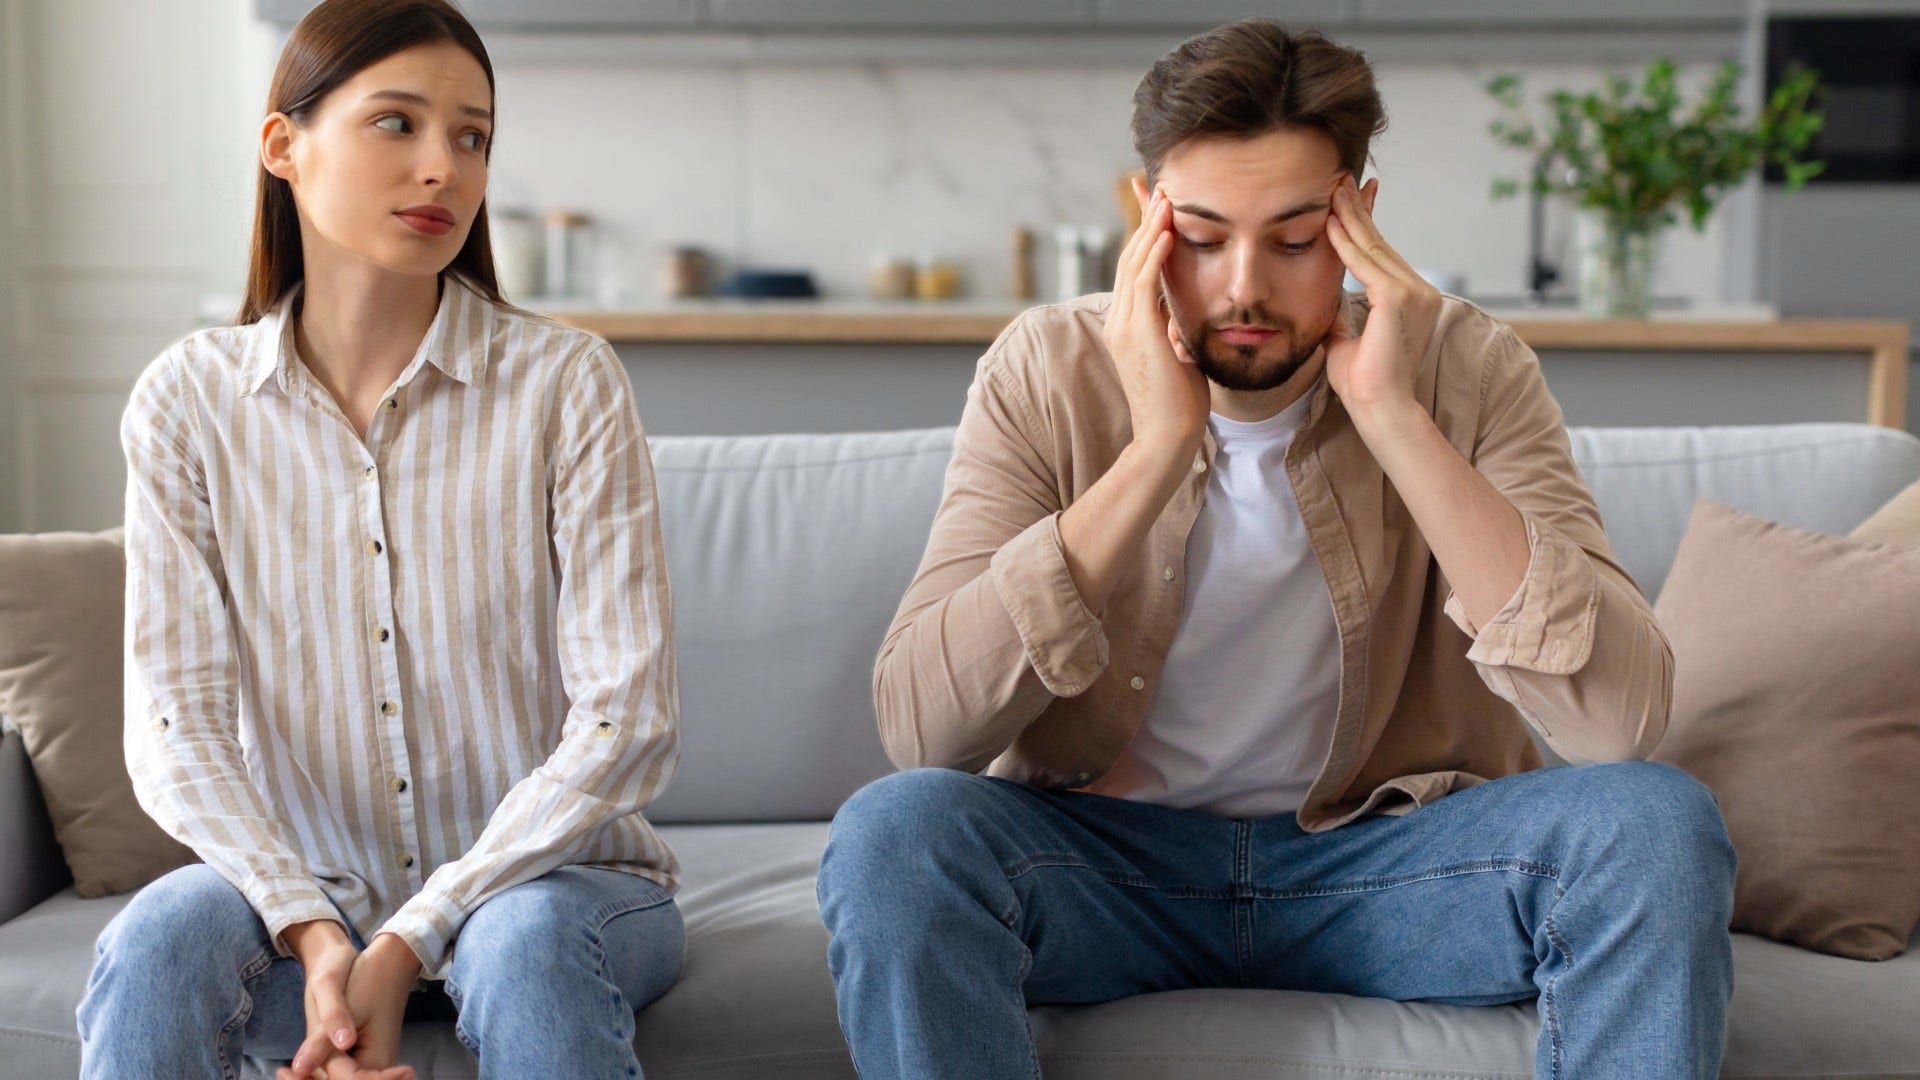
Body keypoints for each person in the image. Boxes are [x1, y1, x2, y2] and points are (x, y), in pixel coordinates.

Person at [818, 18, 1735, 1080]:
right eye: (1201, 238)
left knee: (1658, 826)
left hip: (1394, 869)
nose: (1243, 286)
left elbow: (1620, 723)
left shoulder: (1469, 369)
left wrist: (1394, 416)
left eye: (1296, 240)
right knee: (897, 834)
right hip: (1105, 871)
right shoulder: (1047, 367)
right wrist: (1157, 447)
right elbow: (921, 727)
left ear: (1360, 220)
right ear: (1143, 213)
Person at [76, 2, 683, 1077]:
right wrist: (314, 931)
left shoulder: (567, 384)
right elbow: (178, 726)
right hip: (304, 889)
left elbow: (625, 717)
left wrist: (406, 941)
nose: (443, 166)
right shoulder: (186, 402)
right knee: (158, 945)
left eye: (471, 135)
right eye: (396, 123)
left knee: (526, 946)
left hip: (552, 885)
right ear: (282, 146)